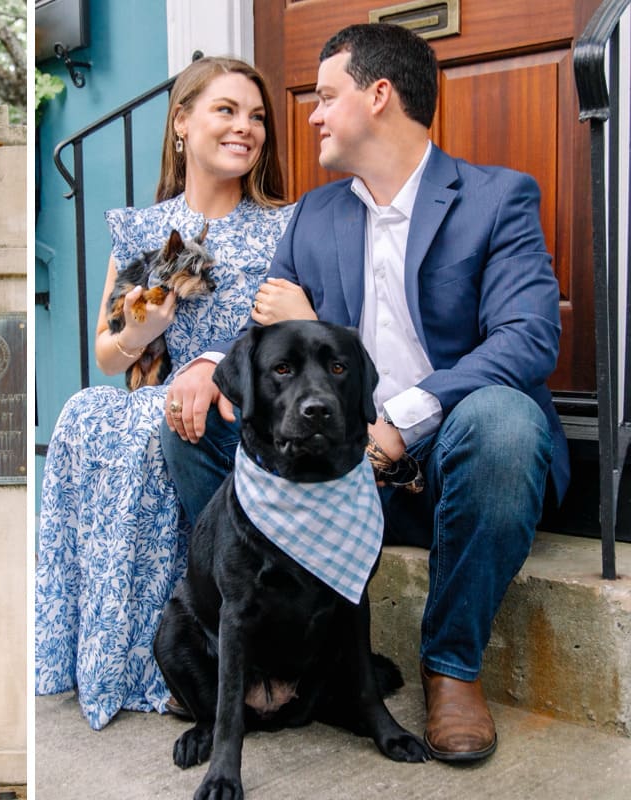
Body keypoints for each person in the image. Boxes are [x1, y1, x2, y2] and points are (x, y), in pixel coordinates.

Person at [162, 23, 567, 763]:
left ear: (379, 96)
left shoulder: (495, 198)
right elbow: (272, 336)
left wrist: (401, 422)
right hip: (339, 471)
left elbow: (528, 339)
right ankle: (249, 631)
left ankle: (450, 668)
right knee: (192, 415)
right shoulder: (318, 215)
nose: (310, 116)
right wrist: (207, 363)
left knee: (505, 423)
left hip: (451, 456)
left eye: (325, 96)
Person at [35, 56, 293, 730]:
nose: (246, 128)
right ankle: (116, 652)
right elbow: (107, 349)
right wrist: (142, 329)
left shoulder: (282, 228)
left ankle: (201, 647)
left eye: (257, 116)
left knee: (163, 424)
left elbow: (292, 345)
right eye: (226, 110)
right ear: (181, 122)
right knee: (86, 410)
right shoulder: (150, 233)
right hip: (166, 394)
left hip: (241, 408)